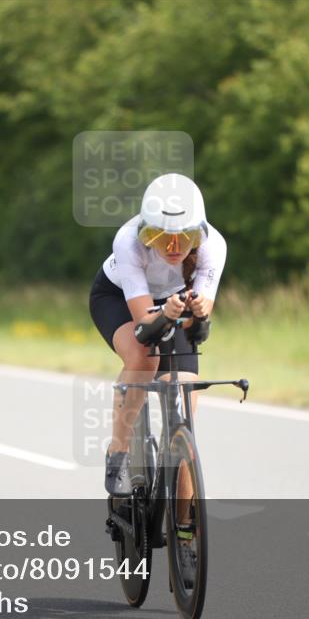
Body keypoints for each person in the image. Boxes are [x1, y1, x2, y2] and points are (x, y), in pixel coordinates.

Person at [89, 173, 227, 496]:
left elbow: (198, 331)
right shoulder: (127, 241)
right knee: (144, 358)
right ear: (146, 232)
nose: (173, 248)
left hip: (174, 302)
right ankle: (118, 452)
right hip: (118, 297)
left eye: (184, 237)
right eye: (161, 237)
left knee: (184, 411)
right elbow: (143, 327)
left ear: (199, 234)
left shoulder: (214, 246)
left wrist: (199, 313)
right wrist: (165, 314)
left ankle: (185, 522)